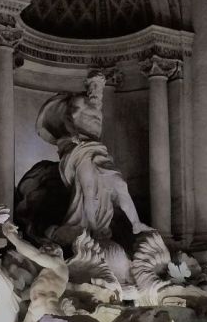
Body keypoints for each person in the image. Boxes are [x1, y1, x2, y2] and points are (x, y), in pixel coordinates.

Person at [35, 70, 149, 243]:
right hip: (79, 149)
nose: (96, 90)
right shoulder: (79, 101)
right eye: (93, 86)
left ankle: (136, 224)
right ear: (88, 87)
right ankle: (93, 230)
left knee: (120, 184)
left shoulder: (98, 107)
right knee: (88, 190)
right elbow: (68, 118)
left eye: (99, 87)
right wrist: (72, 136)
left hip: (97, 150)